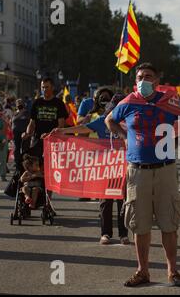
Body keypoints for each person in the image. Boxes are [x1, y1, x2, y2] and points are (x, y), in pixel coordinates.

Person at [105, 63, 180, 288]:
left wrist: (178, 141)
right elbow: (109, 120)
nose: (143, 80)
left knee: (169, 224)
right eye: (140, 76)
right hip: (137, 171)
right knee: (139, 225)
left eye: (148, 76)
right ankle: (142, 271)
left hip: (165, 170)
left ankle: (173, 271)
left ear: (158, 79)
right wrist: (124, 136)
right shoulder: (129, 101)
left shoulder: (169, 102)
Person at [48, 93, 129, 245]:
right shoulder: (103, 121)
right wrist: (62, 131)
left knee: (123, 201)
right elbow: (84, 128)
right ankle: (106, 233)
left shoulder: (130, 122)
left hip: (124, 166)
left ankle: (123, 233)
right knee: (105, 201)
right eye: (114, 108)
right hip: (105, 166)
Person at [23, 78, 68, 161]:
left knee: (51, 165)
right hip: (37, 139)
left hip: (54, 141)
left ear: (52, 88)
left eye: (47, 87)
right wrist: (27, 133)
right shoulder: (36, 102)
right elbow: (32, 122)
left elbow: (61, 125)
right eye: (42, 87)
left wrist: (49, 134)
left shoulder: (59, 103)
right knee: (35, 165)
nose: (44, 90)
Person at [12, 99, 30, 172]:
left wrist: (28, 133)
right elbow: (12, 121)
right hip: (16, 134)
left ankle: (25, 164)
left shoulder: (27, 113)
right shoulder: (14, 113)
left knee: (25, 148)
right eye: (18, 103)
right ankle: (17, 163)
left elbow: (30, 123)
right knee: (16, 149)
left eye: (21, 103)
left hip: (25, 133)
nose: (19, 104)